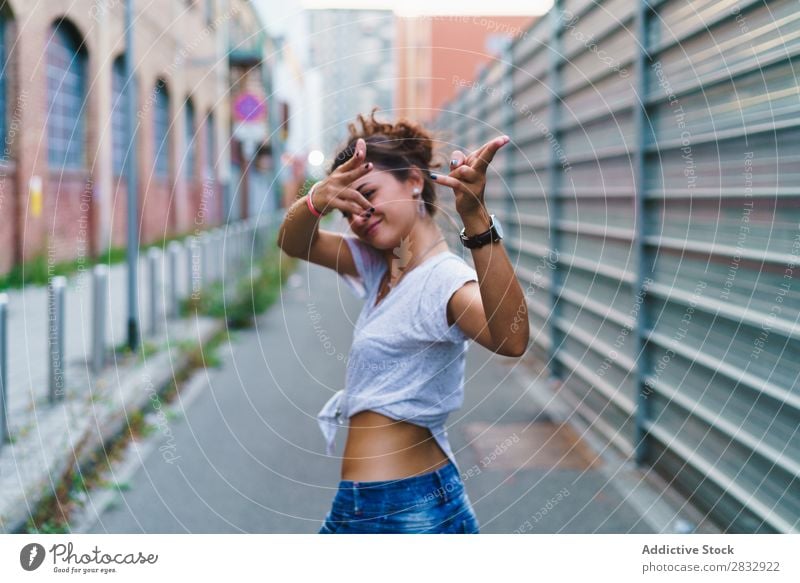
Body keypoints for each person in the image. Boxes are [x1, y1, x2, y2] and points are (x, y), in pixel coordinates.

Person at [276, 108, 530, 533]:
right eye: (348, 207)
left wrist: (476, 219)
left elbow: (512, 339)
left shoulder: (442, 279)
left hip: (411, 512)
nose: (359, 215)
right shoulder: (380, 266)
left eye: (369, 194)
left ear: (414, 181)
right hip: (358, 506)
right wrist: (319, 198)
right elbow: (293, 241)